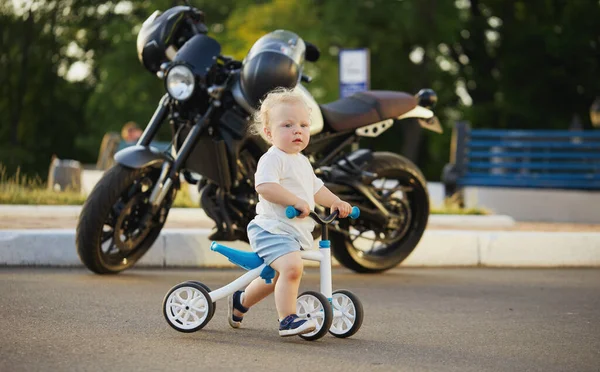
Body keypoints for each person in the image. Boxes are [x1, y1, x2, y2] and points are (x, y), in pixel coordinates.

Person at [228, 87, 352, 337]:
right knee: (293, 268)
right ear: (268, 132)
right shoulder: (273, 159)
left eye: (304, 125)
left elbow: (317, 189)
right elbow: (265, 187)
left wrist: (336, 202)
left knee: (271, 279)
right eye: (287, 125)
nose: (297, 130)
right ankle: (287, 319)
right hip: (270, 229)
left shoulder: (302, 161)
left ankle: (240, 302)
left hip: (291, 232)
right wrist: (294, 201)